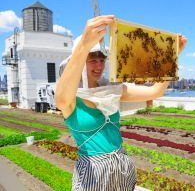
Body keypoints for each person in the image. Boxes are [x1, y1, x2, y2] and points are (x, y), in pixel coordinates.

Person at [55, 15, 187, 191]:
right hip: (93, 174)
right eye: (92, 60)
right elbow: (61, 98)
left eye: (102, 60)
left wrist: (173, 56)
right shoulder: (71, 99)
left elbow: (155, 91)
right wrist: (84, 44)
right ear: (79, 62)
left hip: (122, 168)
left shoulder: (113, 91)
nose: (99, 65)